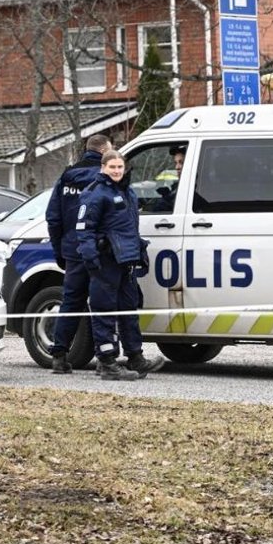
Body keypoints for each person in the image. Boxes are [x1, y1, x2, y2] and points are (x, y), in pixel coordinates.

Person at [76, 149, 166, 380]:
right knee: (104, 311)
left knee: (129, 309)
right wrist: (92, 260)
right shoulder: (94, 193)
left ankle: (135, 357)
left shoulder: (127, 191)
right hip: (105, 261)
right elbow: (84, 231)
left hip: (126, 260)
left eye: (119, 167)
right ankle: (106, 362)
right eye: (112, 167)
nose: (116, 171)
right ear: (103, 168)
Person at [45, 134, 113, 373]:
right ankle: (105, 359)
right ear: (104, 150)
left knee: (71, 302)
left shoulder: (66, 177)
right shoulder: (106, 177)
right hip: (100, 251)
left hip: (73, 251)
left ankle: (59, 356)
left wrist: (60, 251)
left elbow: (53, 217)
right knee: (102, 304)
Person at [150, 144, 186, 212]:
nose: (177, 167)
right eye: (176, 163)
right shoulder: (177, 188)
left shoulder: (194, 190)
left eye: (181, 162)